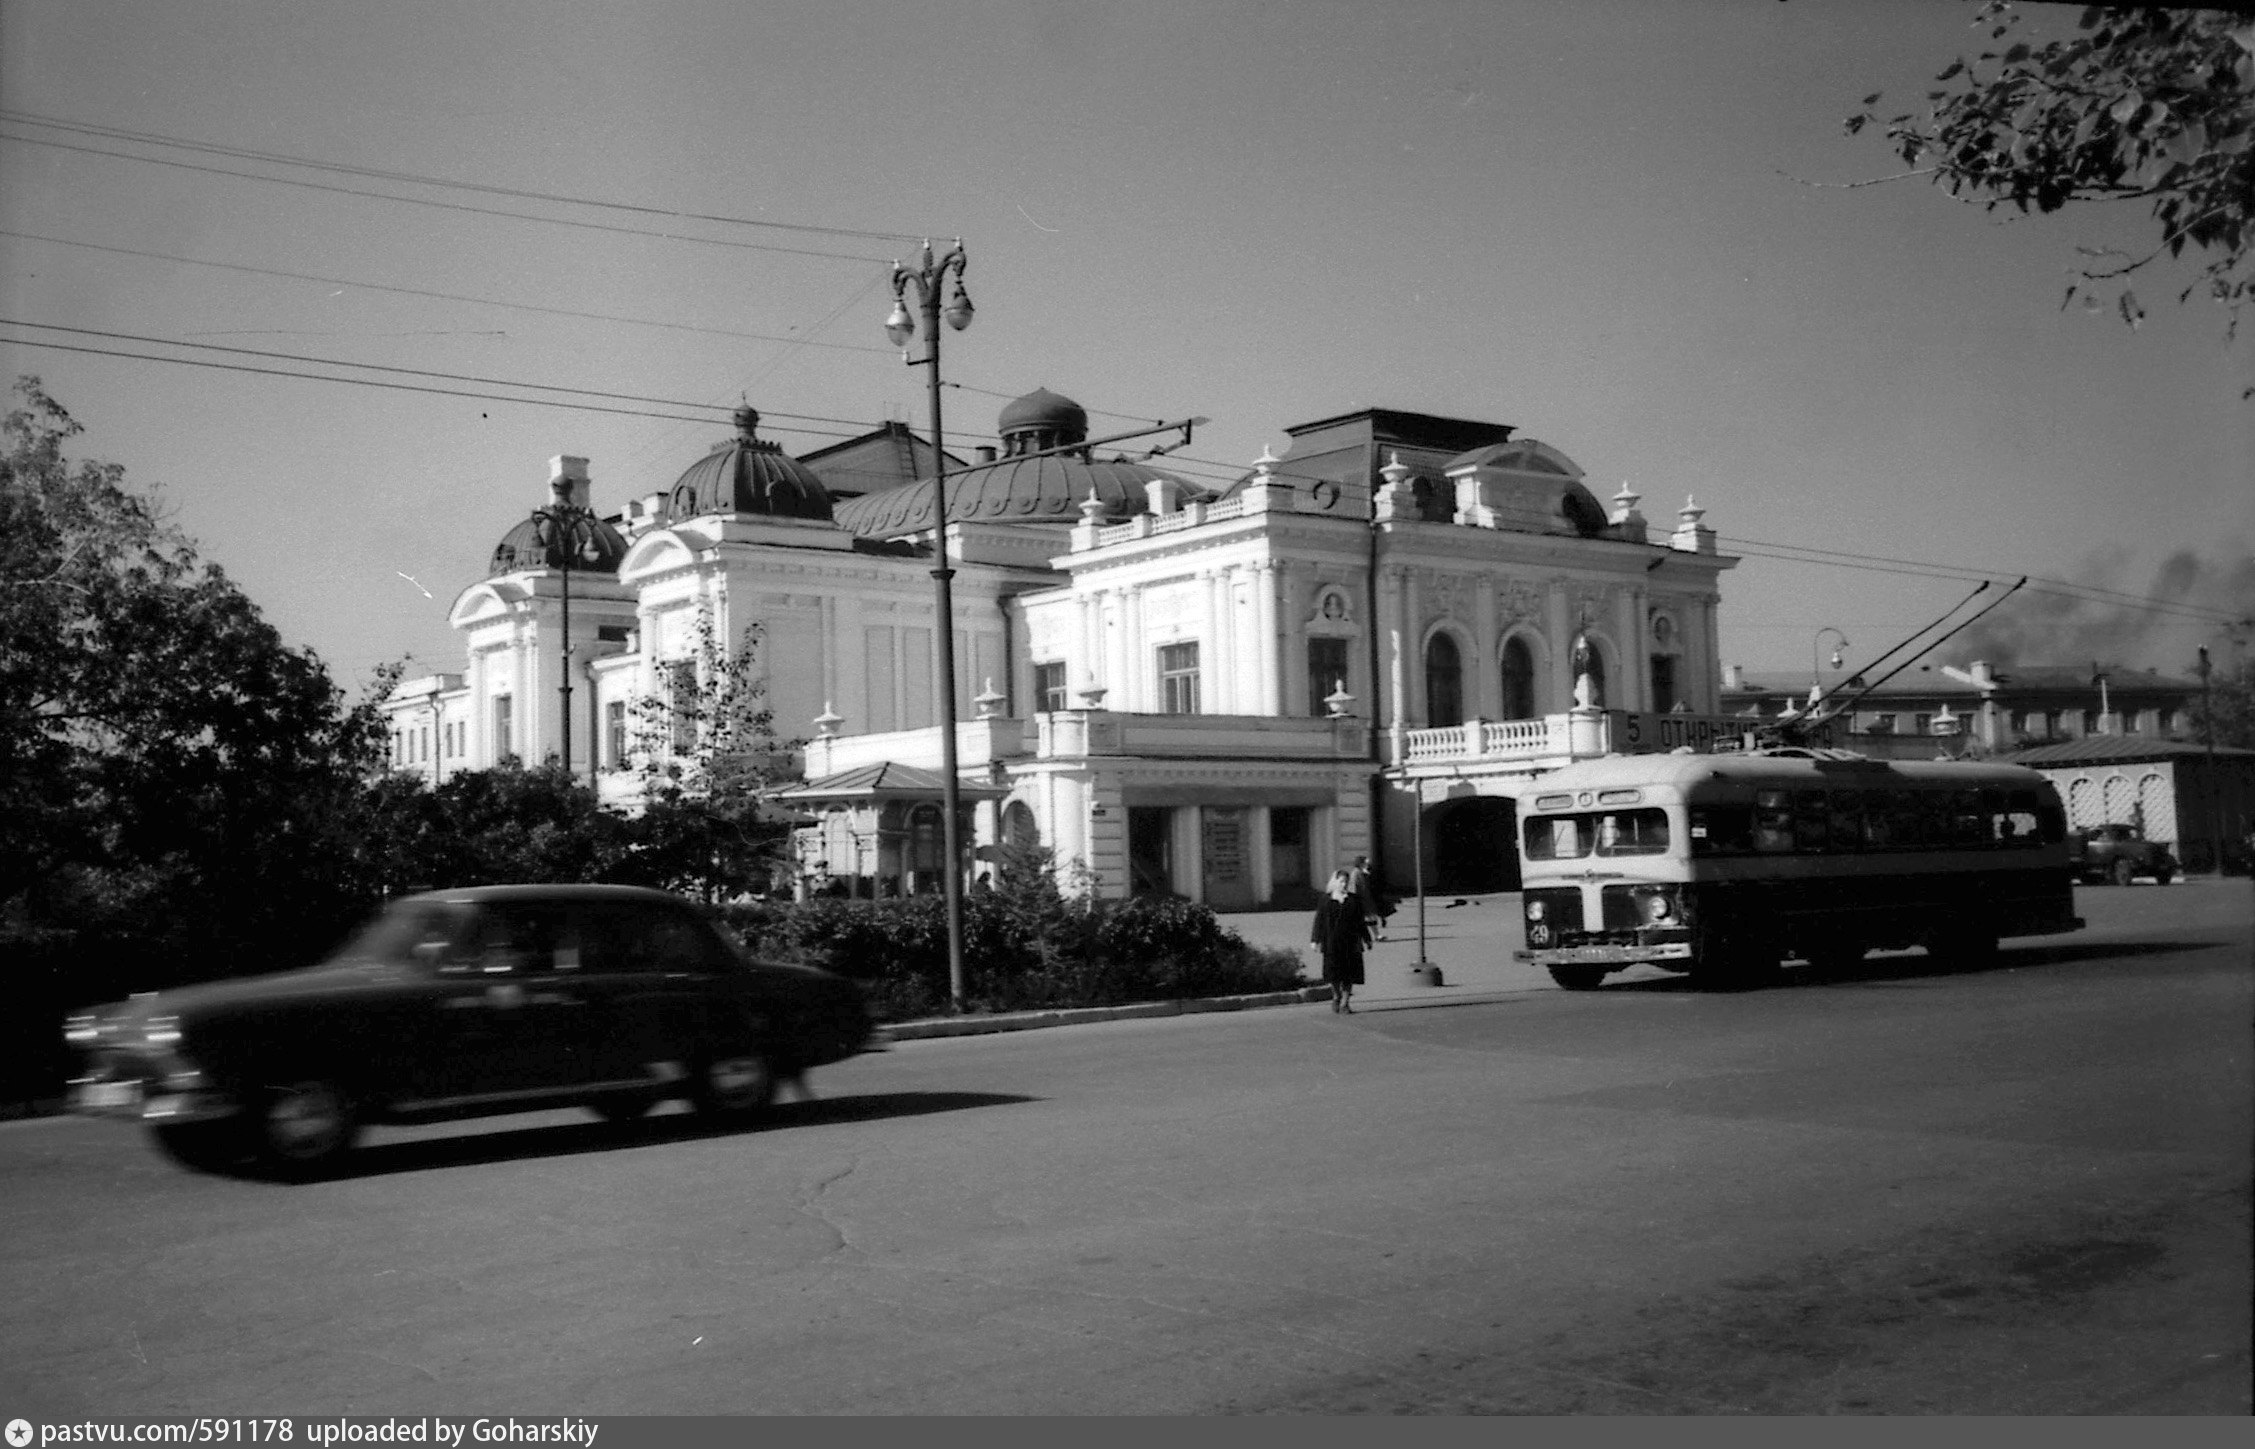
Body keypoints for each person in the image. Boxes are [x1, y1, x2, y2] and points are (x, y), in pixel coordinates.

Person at [1310, 868, 1373, 1013]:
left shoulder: (1354, 900)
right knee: (1333, 973)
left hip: (1351, 942)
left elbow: (1360, 922)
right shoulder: (1326, 900)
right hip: (1331, 942)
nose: (1344, 885)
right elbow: (1319, 921)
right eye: (1341, 881)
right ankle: (1336, 994)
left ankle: (1345, 1002)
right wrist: (1315, 940)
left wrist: (1367, 939)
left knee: (1349, 974)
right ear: (1335, 882)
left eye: (1346, 882)